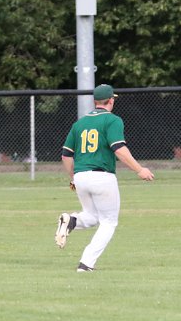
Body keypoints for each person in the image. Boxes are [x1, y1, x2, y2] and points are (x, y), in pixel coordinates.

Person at [54, 84, 155, 272]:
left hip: (81, 176)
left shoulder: (79, 124)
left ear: (95, 102)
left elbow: (66, 155)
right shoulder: (112, 120)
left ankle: (71, 220)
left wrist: (73, 178)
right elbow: (119, 149)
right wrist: (139, 169)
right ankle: (86, 264)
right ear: (111, 101)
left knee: (92, 217)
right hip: (102, 176)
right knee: (109, 222)